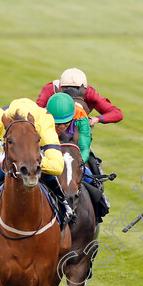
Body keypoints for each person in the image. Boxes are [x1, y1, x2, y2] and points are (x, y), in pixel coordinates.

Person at [0, 98, 75, 228]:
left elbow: (57, 166)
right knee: (5, 159)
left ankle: (63, 204)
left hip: (35, 156)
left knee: (47, 171)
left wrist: (31, 162)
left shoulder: (44, 121)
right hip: (10, 156)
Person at [37, 68, 123, 177]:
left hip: (78, 134)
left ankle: (98, 189)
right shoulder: (49, 89)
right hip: (52, 132)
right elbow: (37, 112)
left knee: (93, 164)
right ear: (60, 88)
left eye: (76, 90)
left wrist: (96, 119)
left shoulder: (90, 93)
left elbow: (117, 113)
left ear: (84, 90)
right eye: (67, 90)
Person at [46, 92, 110, 223]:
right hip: (52, 150)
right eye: (58, 124)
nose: (62, 127)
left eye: (65, 123)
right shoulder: (44, 118)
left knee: (89, 173)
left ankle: (100, 203)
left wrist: (79, 164)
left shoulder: (81, 116)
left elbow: (85, 147)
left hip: (74, 152)